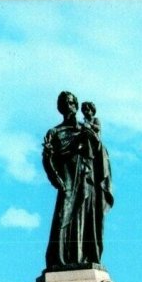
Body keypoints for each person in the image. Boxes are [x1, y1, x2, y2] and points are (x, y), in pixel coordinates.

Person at [42, 91, 113, 268]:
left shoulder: (85, 128)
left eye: (72, 103)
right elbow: (49, 159)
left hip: (86, 179)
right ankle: (61, 260)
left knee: (86, 219)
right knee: (63, 218)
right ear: (60, 108)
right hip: (67, 181)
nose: (70, 107)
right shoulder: (55, 132)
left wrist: (92, 139)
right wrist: (55, 177)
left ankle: (85, 256)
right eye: (65, 104)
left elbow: (99, 151)